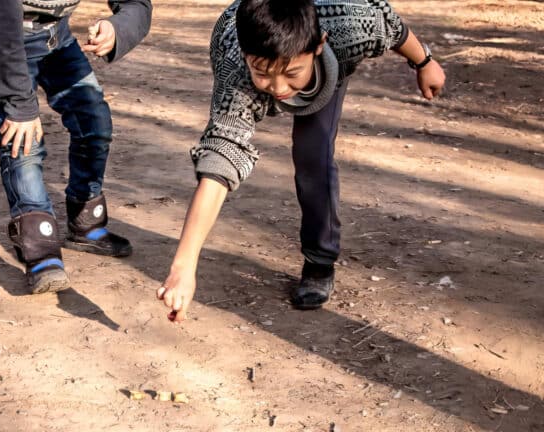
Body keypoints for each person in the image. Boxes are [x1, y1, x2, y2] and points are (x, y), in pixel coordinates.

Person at [157, 0, 445, 321]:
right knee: (248, 112)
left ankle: (319, 263)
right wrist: (183, 266)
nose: (279, 88)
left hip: (328, 65)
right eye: (263, 73)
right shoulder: (233, 59)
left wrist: (424, 62)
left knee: (313, 153)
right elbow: (221, 157)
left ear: (319, 44)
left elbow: (390, 24)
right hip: (259, 56)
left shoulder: (352, 24)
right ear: (244, 55)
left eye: (291, 73)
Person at [0, 0, 152, 293]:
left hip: (55, 35)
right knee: (23, 138)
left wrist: (118, 27)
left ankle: (85, 222)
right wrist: (17, 102)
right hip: (1, 38)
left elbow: (136, 3)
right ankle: (40, 246)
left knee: (94, 121)